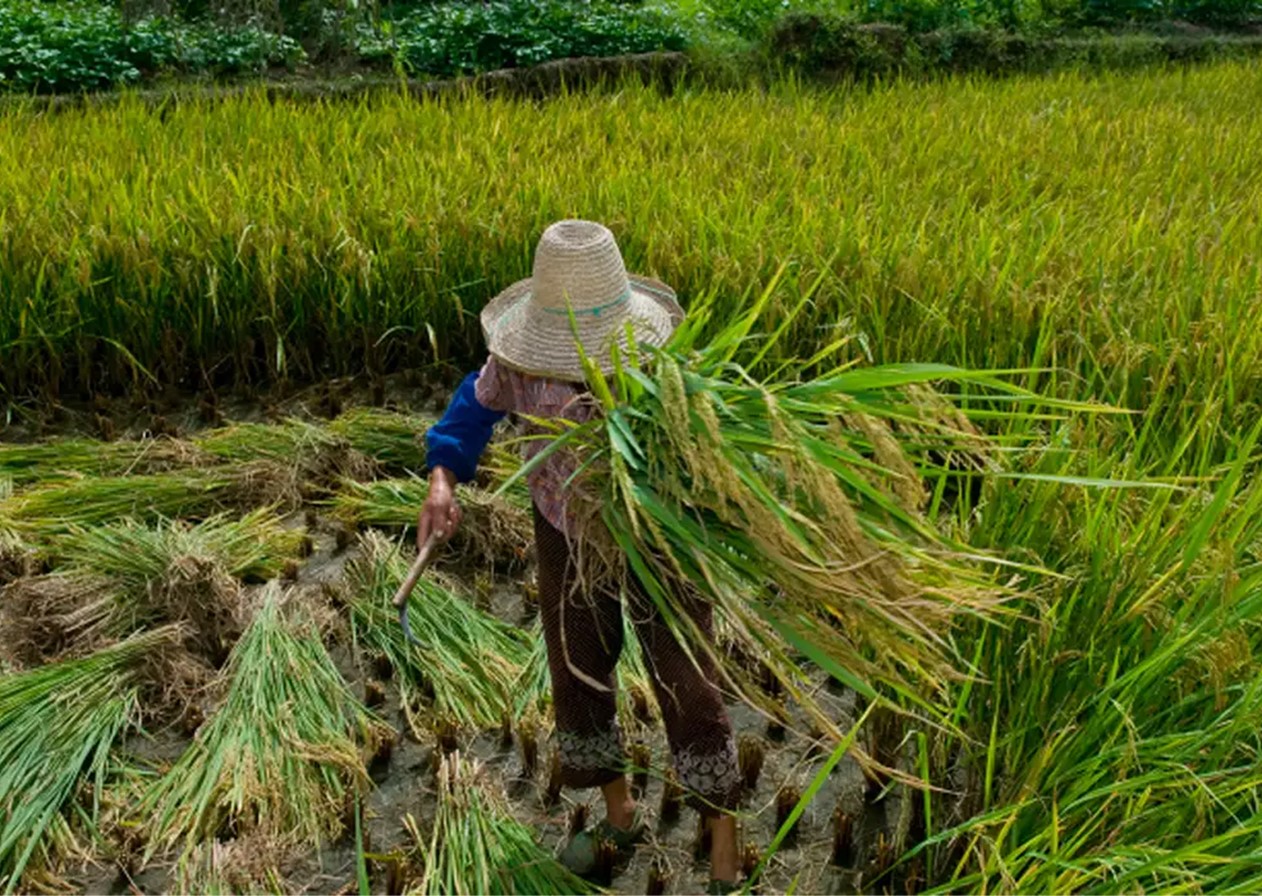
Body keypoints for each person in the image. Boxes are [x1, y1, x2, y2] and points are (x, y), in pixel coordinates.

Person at [418, 220, 741, 892]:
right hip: (564, 529)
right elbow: (470, 411)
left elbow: (709, 447)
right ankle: (618, 811)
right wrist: (442, 480)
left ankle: (723, 840)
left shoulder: (656, 366)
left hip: (655, 531)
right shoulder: (517, 365)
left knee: (685, 675)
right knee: (578, 663)